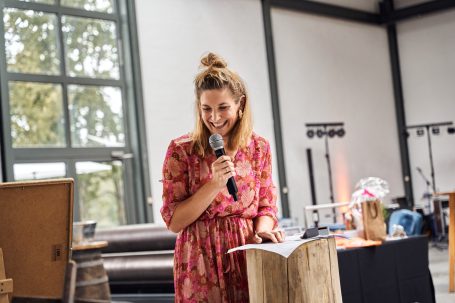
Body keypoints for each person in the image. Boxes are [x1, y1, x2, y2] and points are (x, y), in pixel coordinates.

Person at [160, 52, 284, 302]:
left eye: (223, 108)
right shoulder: (181, 150)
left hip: (246, 253)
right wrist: (214, 184)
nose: (214, 118)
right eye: (207, 109)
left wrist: (263, 231)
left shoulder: (259, 148)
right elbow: (174, 222)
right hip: (199, 260)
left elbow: (266, 206)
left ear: (241, 105)